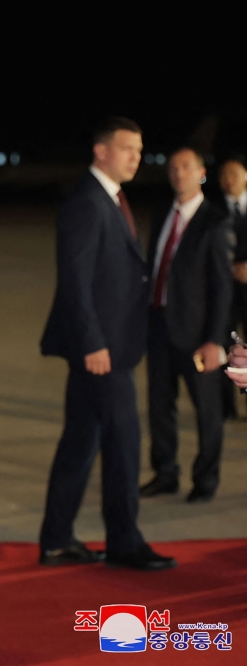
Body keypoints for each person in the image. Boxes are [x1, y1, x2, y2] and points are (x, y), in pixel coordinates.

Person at [39, 117, 176, 571]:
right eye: (127, 148)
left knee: (81, 442)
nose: (137, 157)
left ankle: (57, 539)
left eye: (139, 149)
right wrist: (93, 343)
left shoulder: (109, 198)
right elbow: (75, 281)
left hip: (108, 347)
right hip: (103, 351)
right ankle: (124, 542)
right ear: (101, 151)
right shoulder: (88, 202)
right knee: (123, 445)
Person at [139, 147, 233, 504]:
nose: (178, 173)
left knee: (207, 411)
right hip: (158, 327)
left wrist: (215, 341)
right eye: (173, 167)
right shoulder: (163, 212)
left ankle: (205, 479)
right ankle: (166, 474)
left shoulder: (215, 221)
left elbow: (222, 289)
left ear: (201, 173)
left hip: (197, 336)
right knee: (160, 407)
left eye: (186, 167)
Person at [218, 156, 247, 418]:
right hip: (225, 294)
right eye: (224, 175)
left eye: (234, 174)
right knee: (228, 349)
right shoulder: (213, 211)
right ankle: (227, 407)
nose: (229, 180)